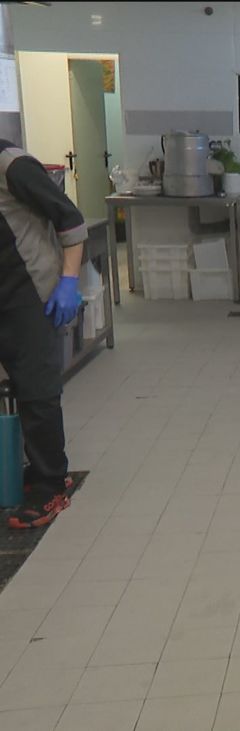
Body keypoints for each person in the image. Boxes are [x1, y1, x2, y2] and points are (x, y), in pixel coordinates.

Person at [0, 141, 86, 529]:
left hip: (29, 291)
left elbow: (70, 220)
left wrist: (69, 280)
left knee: (37, 389)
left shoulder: (13, 167)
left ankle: (51, 482)